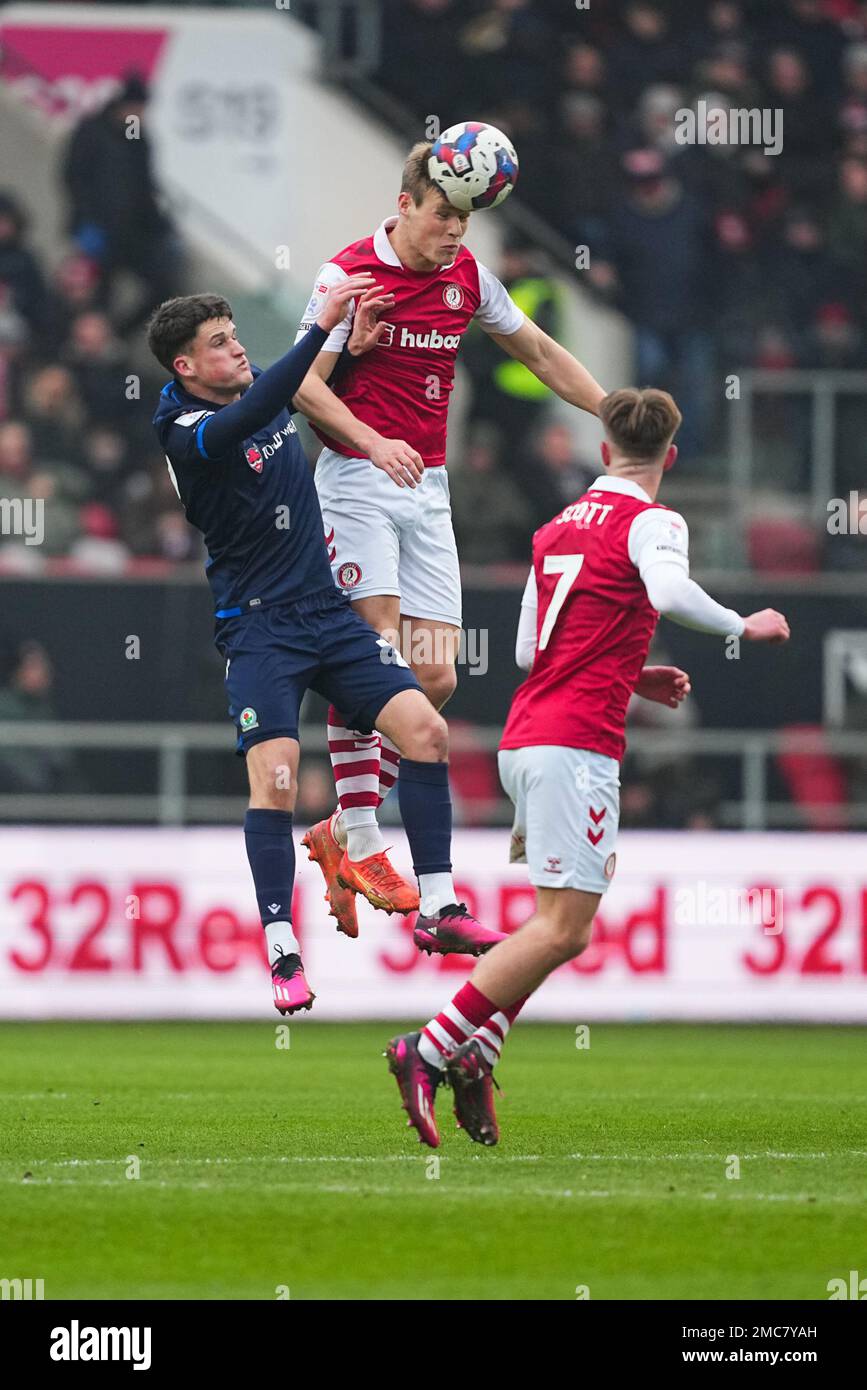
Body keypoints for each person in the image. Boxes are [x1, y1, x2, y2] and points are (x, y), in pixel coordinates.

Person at [385, 387, 791, 1147]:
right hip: (573, 743)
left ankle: (478, 1054)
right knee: (564, 931)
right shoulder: (652, 519)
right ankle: (432, 1047)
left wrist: (630, 675)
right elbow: (668, 593)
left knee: (555, 925)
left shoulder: (553, 528)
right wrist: (744, 623)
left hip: (527, 735)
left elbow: (527, 653)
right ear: (666, 458)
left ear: (604, 452)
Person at [147, 282, 494, 1017]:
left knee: (428, 729)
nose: (236, 345)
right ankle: (281, 947)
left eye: (235, 333)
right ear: (183, 366)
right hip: (259, 628)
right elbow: (261, 406)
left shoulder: (252, 388)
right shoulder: (187, 430)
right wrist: (321, 329)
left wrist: (347, 340)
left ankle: (441, 905)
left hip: (327, 613)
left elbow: (294, 387)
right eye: (218, 341)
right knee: (275, 778)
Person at [292, 140, 605, 951]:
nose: (452, 232)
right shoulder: (346, 274)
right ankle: (361, 835)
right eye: (440, 215)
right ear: (404, 205)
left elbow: (534, 352)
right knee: (375, 649)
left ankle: (336, 828)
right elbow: (299, 384)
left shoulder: (468, 281)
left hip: (426, 490)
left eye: (463, 219)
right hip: (359, 478)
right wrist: (367, 437)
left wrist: (610, 410)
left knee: (432, 677)